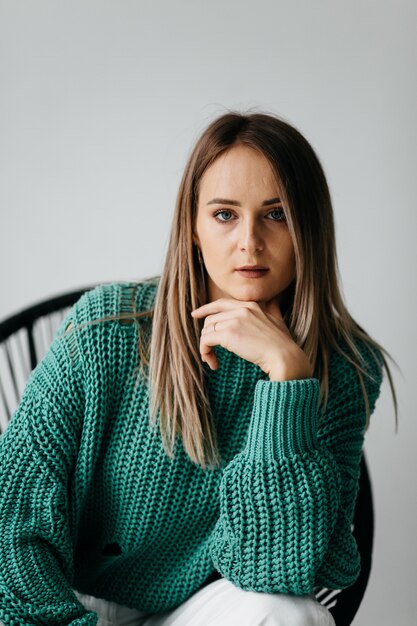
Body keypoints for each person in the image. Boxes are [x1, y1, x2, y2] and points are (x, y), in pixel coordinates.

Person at [0, 110, 398, 626]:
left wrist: (287, 380)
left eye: (277, 215)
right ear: (193, 226)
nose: (249, 241)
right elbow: (14, 509)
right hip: (69, 598)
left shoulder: (344, 368)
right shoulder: (109, 329)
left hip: (199, 610)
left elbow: (276, 570)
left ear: (310, 226)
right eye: (225, 215)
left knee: (289, 612)